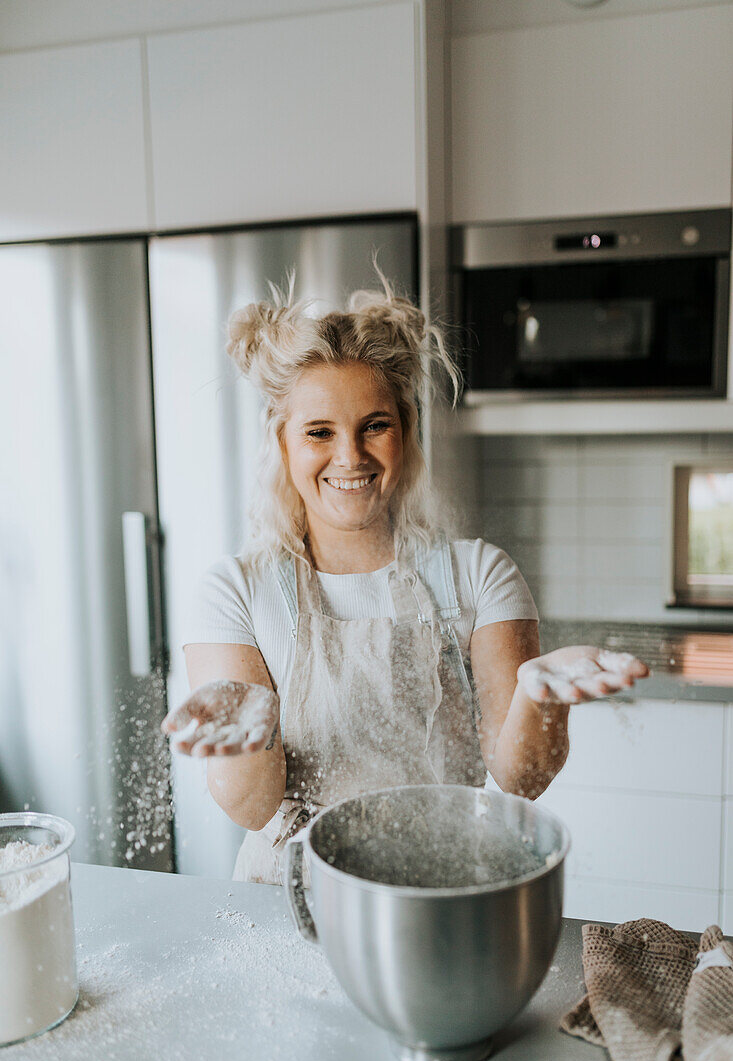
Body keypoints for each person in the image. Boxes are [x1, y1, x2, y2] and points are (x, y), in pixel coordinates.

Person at [162, 273, 648, 884]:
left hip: (442, 890)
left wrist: (537, 696)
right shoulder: (236, 591)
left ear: (407, 432)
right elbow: (253, 806)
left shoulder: (479, 575)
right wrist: (246, 731)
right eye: (319, 432)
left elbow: (522, 779)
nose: (351, 456)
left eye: (374, 425)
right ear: (282, 443)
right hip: (290, 897)